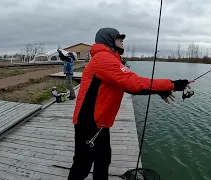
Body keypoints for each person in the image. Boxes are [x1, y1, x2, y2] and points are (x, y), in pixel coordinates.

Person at [68, 27, 195, 180]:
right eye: (119, 37)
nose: (122, 40)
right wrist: (173, 84)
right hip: (88, 122)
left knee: (103, 160)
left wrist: (159, 91)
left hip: (99, 122)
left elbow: (129, 86)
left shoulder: (110, 59)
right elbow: (134, 83)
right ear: (108, 40)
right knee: (82, 166)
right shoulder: (103, 59)